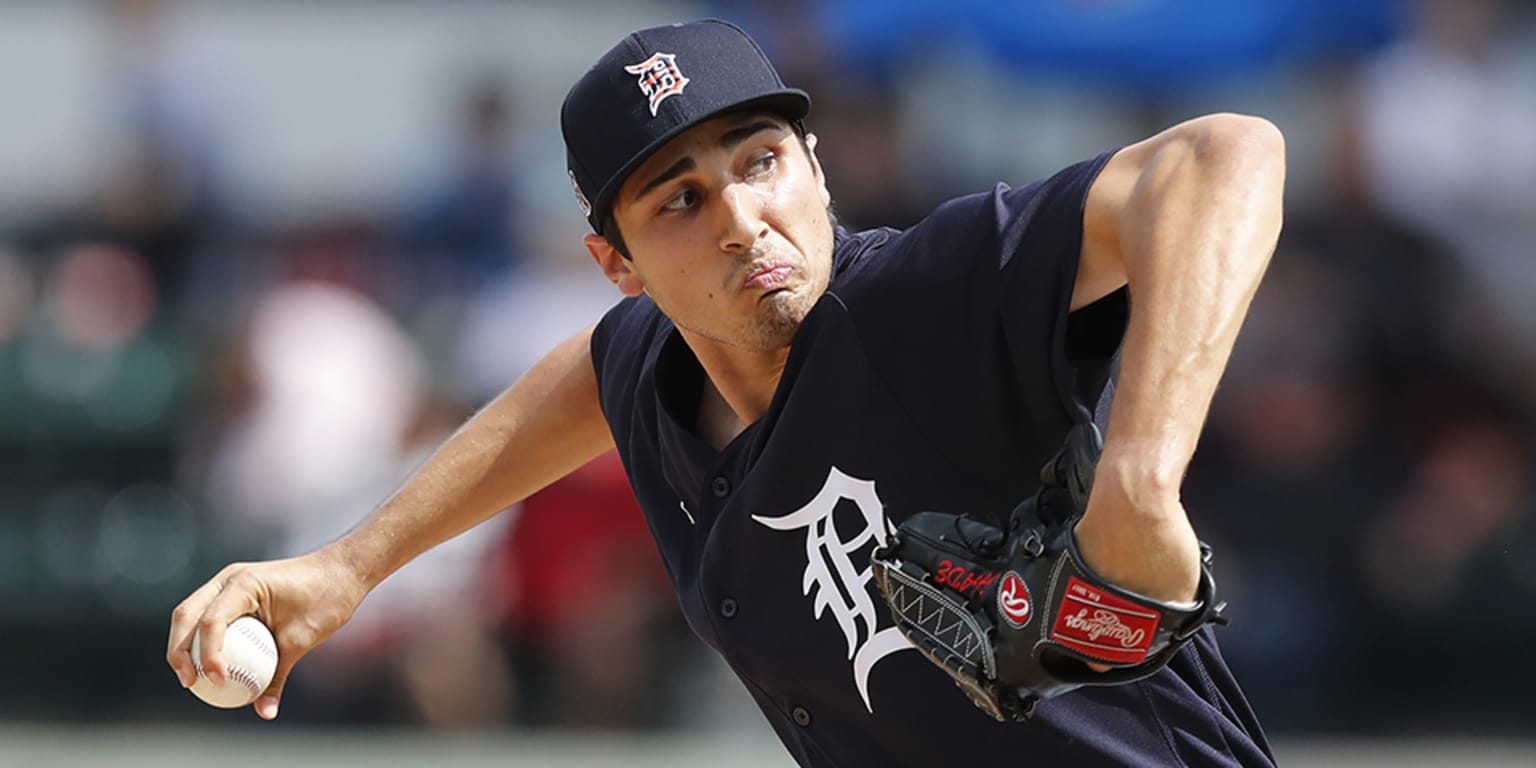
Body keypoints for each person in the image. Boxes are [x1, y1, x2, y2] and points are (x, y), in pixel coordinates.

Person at [167, 18, 1284, 767]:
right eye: (679, 201)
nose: (744, 217)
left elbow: (1225, 157)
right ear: (619, 263)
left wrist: (1141, 472)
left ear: (816, 165)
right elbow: (583, 376)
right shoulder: (654, 368)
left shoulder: (926, 295)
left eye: (761, 161)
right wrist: (343, 569)